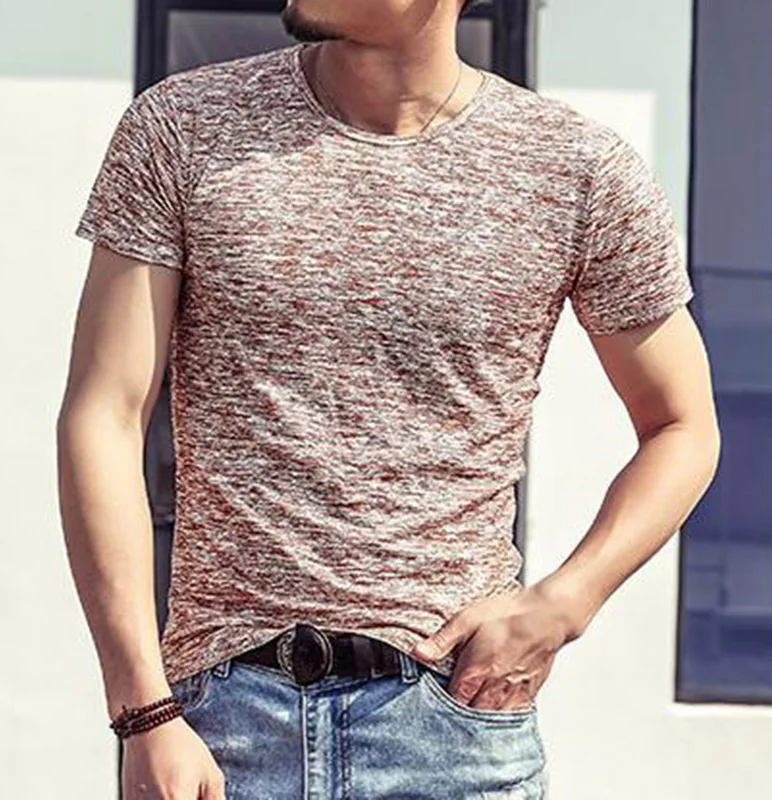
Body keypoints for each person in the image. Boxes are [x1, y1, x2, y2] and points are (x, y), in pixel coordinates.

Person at [56, 1, 721, 798]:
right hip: (220, 730)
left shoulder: (576, 167)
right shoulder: (184, 127)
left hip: (452, 729)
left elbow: (683, 425)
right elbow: (104, 414)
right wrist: (142, 709)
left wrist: (566, 602)